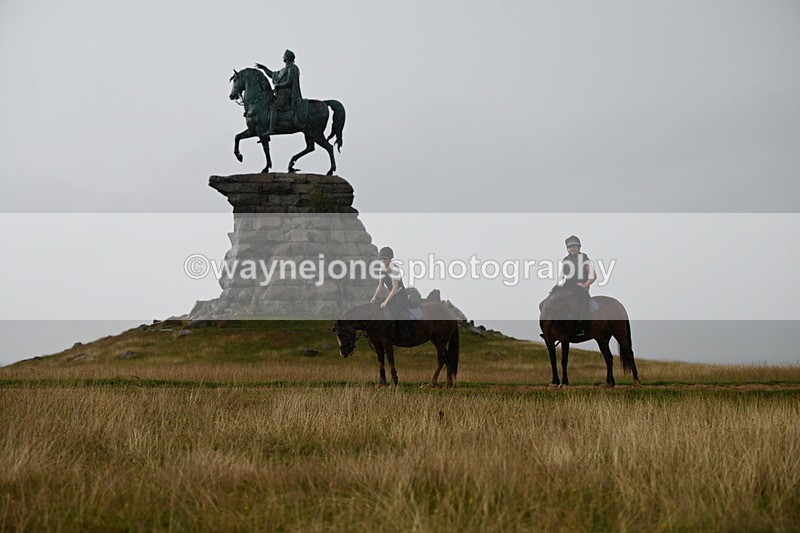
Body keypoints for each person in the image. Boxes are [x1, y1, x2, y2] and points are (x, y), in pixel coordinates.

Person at [254, 49, 308, 136]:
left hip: (287, 95)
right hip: (281, 94)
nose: (283, 57)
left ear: (288, 58)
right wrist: (264, 68)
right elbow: (272, 75)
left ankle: (271, 129)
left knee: (274, 107)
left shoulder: (292, 68)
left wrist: (279, 86)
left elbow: (289, 82)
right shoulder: (284, 69)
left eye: (284, 56)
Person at [371, 246, 411, 343]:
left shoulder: (394, 269)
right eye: (381, 259)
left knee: (395, 311)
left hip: (400, 294)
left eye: (385, 259)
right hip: (393, 295)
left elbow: (395, 288)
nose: (383, 261)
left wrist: (386, 302)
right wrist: (374, 297)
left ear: (389, 259)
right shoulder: (382, 269)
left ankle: (405, 332)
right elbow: (380, 285)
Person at [558, 235, 596, 337]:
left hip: (580, 288)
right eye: (570, 247)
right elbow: (561, 275)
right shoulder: (566, 259)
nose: (572, 248)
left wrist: (585, 285)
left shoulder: (584, 258)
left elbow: (593, 276)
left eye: (574, 246)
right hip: (567, 287)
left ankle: (581, 327)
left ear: (579, 247)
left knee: (580, 303)